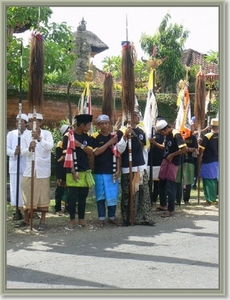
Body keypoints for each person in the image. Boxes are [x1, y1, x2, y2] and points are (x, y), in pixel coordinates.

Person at [15, 113, 54, 230]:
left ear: (40, 122)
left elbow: (50, 147)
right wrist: (29, 148)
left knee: (43, 195)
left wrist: (39, 139)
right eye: (31, 121)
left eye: (36, 121)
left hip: (42, 170)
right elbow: (22, 151)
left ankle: (42, 220)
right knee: (27, 192)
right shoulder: (26, 136)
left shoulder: (47, 134)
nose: (33, 123)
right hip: (29, 170)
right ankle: (26, 219)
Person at [117, 109, 155, 226]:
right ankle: (127, 218)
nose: (138, 116)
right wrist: (124, 136)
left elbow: (144, 149)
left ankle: (144, 217)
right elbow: (119, 149)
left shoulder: (141, 131)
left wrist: (145, 166)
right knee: (129, 194)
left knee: (144, 194)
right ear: (129, 117)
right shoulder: (121, 132)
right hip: (128, 168)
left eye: (138, 114)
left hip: (140, 167)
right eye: (135, 115)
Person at [63, 114, 95, 230]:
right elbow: (67, 155)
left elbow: (90, 152)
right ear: (82, 125)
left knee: (83, 196)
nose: (90, 127)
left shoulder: (86, 137)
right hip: (72, 170)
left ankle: (81, 219)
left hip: (84, 170)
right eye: (89, 125)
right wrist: (72, 171)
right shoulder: (68, 136)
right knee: (72, 197)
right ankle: (72, 220)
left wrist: (80, 145)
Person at [150, 119, 187, 217]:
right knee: (161, 183)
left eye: (162, 132)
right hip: (165, 161)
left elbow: (184, 148)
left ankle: (171, 210)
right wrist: (154, 143)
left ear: (166, 128)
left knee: (170, 185)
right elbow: (164, 147)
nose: (162, 134)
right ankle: (163, 205)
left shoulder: (176, 134)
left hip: (173, 162)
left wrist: (172, 155)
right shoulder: (167, 136)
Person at [91, 114, 121, 228]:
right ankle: (101, 218)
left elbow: (118, 155)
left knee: (112, 195)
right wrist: (109, 143)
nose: (104, 125)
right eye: (102, 123)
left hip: (112, 171)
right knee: (100, 196)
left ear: (109, 124)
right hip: (99, 171)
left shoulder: (114, 137)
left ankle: (112, 217)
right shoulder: (95, 137)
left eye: (106, 123)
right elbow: (96, 152)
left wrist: (118, 170)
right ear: (98, 125)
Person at [7, 113, 28, 220]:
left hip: (26, 167)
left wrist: (23, 151)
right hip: (15, 167)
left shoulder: (29, 134)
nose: (18, 123)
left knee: (26, 189)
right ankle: (17, 211)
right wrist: (14, 152)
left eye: (21, 121)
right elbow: (6, 149)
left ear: (26, 123)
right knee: (15, 190)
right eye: (16, 121)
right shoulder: (11, 134)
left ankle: (28, 211)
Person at [175, 120, 198, 205]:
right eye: (190, 126)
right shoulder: (179, 136)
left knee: (188, 181)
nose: (192, 127)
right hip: (179, 161)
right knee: (178, 181)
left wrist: (186, 148)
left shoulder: (193, 137)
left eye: (192, 126)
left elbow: (194, 149)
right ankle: (177, 199)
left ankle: (186, 199)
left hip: (189, 161)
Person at [198, 118, 219, 205]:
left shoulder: (207, 136)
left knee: (209, 180)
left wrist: (199, 156)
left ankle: (211, 199)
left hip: (209, 161)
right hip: (217, 160)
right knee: (213, 179)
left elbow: (201, 149)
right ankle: (209, 198)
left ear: (210, 126)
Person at [147, 116, 165, 207]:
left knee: (157, 184)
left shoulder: (164, 136)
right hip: (150, 162)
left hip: (160, 161)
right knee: (149, 183)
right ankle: (149, 200)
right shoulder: (150, 135)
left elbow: (164, 147)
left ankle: (154, 200)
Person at [54, 124, 69, 216]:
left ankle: (68, 207)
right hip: (61, 170)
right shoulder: (60, 144)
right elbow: (58, 159)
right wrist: (65, 155)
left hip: (69, 170)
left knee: (70, 190)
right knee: (60, 190)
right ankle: (57, 208)